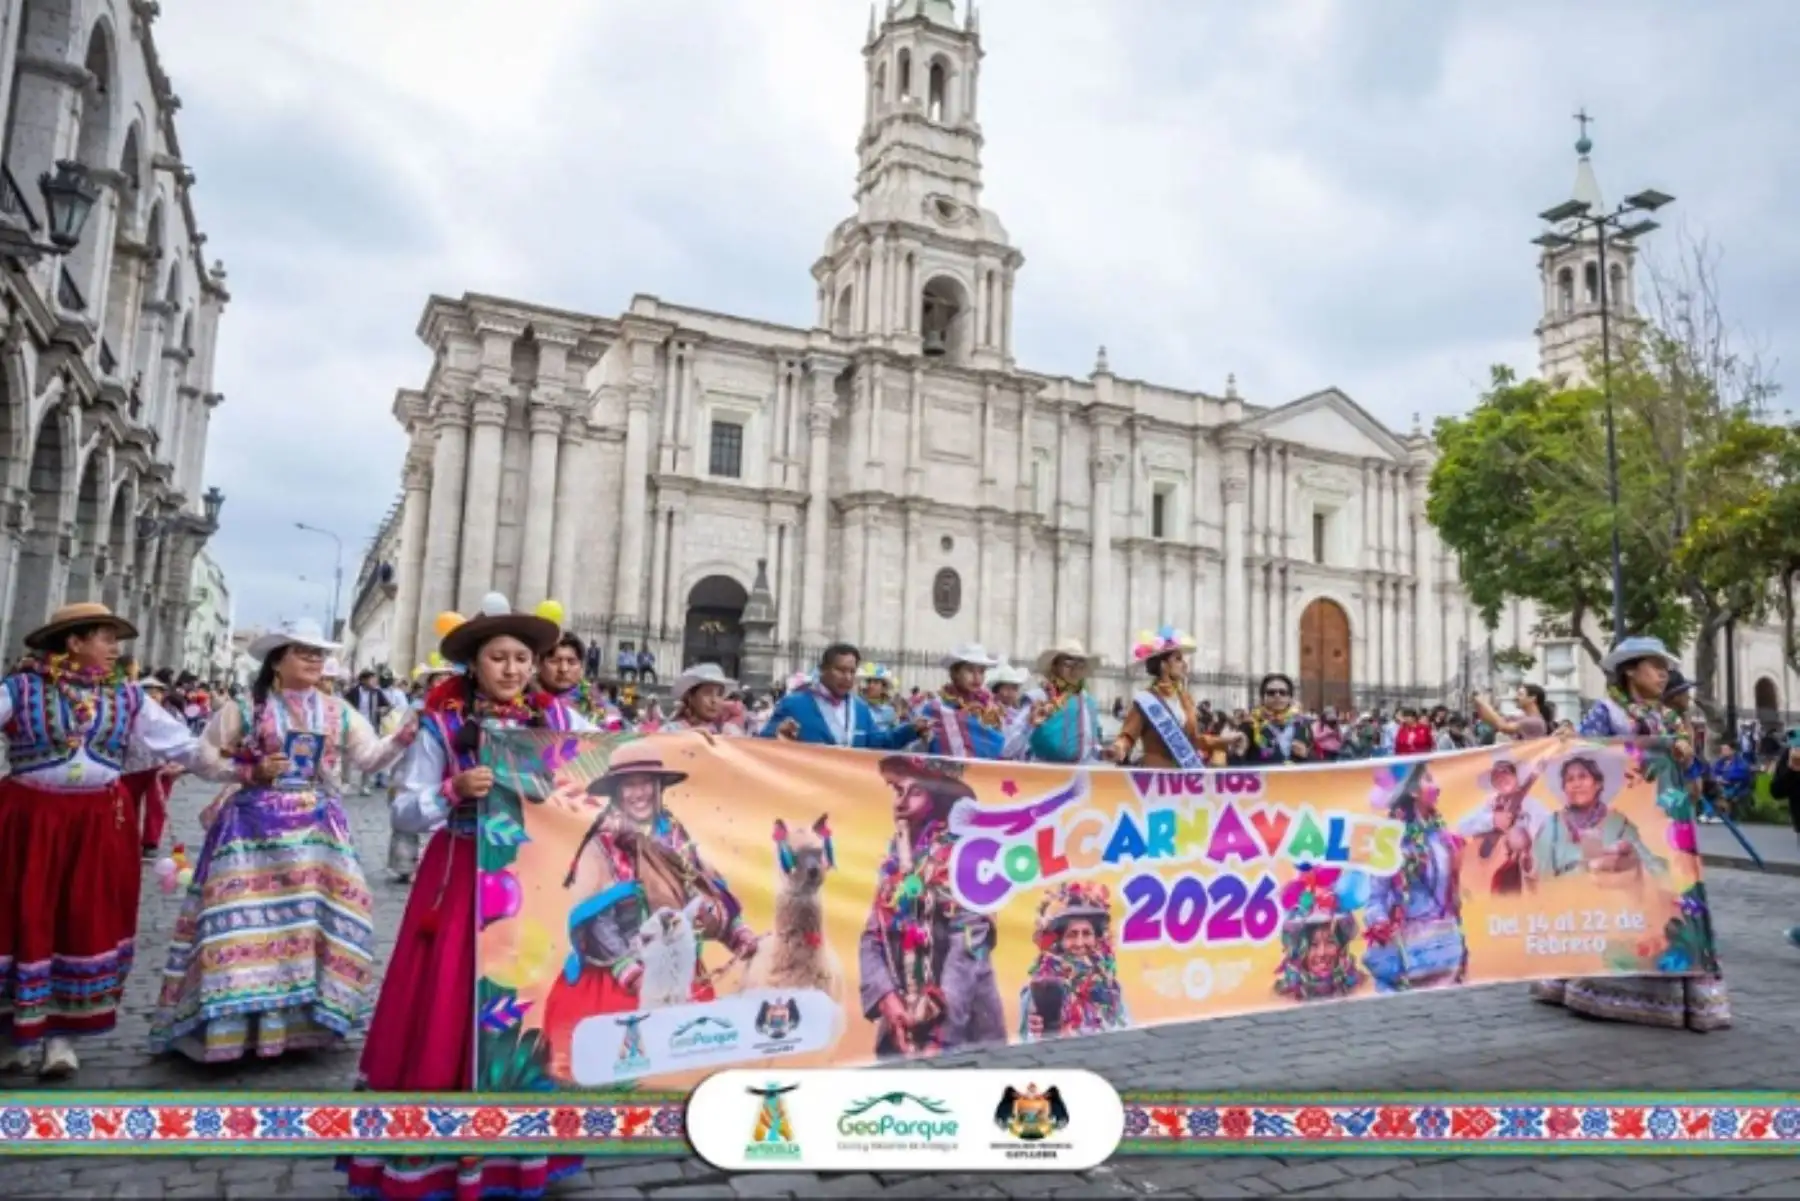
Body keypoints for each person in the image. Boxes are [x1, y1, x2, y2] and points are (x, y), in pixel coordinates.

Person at [344, 594, 593, 1200]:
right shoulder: (442, 726)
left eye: (521, 659)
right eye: (499, 658)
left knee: (526, 1004)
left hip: (533, 882)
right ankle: (444, 1145)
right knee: (451, 999)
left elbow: (608, 768)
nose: (512, 670)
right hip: (460, 876)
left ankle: (522, 1150)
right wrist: (453, 789)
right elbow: (404, 812)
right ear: (473, 665)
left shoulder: (560, 723)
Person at [150, 618, 420, 1064]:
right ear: (278, 660)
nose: (315, 659)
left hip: (317, 837)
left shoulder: (338, 712)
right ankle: (233, 1031)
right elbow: (203, 756)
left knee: (309, 925)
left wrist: (405, 735)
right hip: (251, 834)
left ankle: (299, 1027)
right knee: (247, 925)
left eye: (319, 653)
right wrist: (247, 773)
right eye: (303, 651)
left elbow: (369, 758)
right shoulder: (245, 708)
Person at [0, 603, 230, 1078]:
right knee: (21, 913)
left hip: (98, 823)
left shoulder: (127, 698)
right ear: (74, 642)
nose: (114, 650)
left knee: (84, 918)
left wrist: (238, 767)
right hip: (29, 819)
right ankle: (13, 1033)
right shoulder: (20, 689)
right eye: (105, 639)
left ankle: (60, 1036)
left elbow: (182, 745)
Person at [1532, 635, 1729, 1032]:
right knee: (1620, 896)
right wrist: (1570, 739)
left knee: (1670, 901)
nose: (1664, 673)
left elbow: (1694, 781)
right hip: (1624, 826)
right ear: (1629, 672)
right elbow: (1582, 757)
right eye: (1654, 665)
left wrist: (1689, 761)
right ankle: (1604, 991)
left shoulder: (1673, 721)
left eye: (1665, 666)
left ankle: (1674, 994)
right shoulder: (1607, 713)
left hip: (1670, 826)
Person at [763, 643, 926, 749]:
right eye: (840, 670)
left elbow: (878, 743)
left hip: (848, 795)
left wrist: (911, 730)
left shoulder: (860, 708)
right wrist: (777, 734)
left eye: (852, 671)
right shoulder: (794, 704)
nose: (847, 677)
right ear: (822, 670)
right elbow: (760, 744)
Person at [1111, 628, 1219, 769]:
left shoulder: (1186, 699)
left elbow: (1195, 740)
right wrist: (1119, 747)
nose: (1185, 665)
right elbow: (1128, 736)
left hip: (1184, 779)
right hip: (1156, 778)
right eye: (1178, 659)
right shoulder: (1146, 700)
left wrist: (1226, 741)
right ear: (1164, 665)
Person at [1006, 638, 1106, 764]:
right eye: (1068, 663)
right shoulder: (1038, 699)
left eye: (1080, 664)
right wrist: (1029, 724)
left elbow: (1091, 747)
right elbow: (1008, 748)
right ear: (1055, 666)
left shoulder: (1088, 703)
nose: (1074, 669)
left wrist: (1103, 753)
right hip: (1043, 776)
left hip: (1079, 779)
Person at [913, 645, 1010, 760]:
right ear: (955, 673)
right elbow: (921, 746)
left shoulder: (992, 710)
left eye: (981, 671)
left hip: (984, 773)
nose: (977, 677)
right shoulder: (935, 708)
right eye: (970, 670)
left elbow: (1003, 747)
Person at [343, 668, 394, 796]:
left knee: (368, 756)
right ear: (363, 680)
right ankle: (346, 782)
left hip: (371, 727)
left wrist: (383, 711)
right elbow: (343, 706)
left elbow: (389, 705)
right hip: (352, 728)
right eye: (371, 679)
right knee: (347, 756)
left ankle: (364, 785)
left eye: (374, 678)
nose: (374, 681)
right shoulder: (353, 692)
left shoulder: (376, 693)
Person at [1246, 673, 1315, 764]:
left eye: (1282, 692)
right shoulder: (1250, 724)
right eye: (1271, 693)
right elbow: (1238, 764)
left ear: (1290, 698)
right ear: (1262, 698)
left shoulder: (1303, 725)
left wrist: (1306, 755)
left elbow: (1317, 761)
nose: (1277, 696)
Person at [664, 663, 746, 735]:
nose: (714, 700)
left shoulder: (729, 732)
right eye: (707, 693)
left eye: (719, 694)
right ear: (691, 698)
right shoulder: (671, 731)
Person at [1474, 684, 1553, 743]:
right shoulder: (1520, 718)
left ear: (1533, 698)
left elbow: (1504, 727)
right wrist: (1478, 704)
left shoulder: (1535, 721)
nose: (1515, 698)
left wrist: (1484, 703)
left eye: (1520, 694)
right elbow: (1491, 721)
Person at [857, 661, 901, 733]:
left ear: (883, 688)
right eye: (869, 682)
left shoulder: (890, 711)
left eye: (876, 682)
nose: (871, 685)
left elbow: (894, 735)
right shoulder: (858, 706)